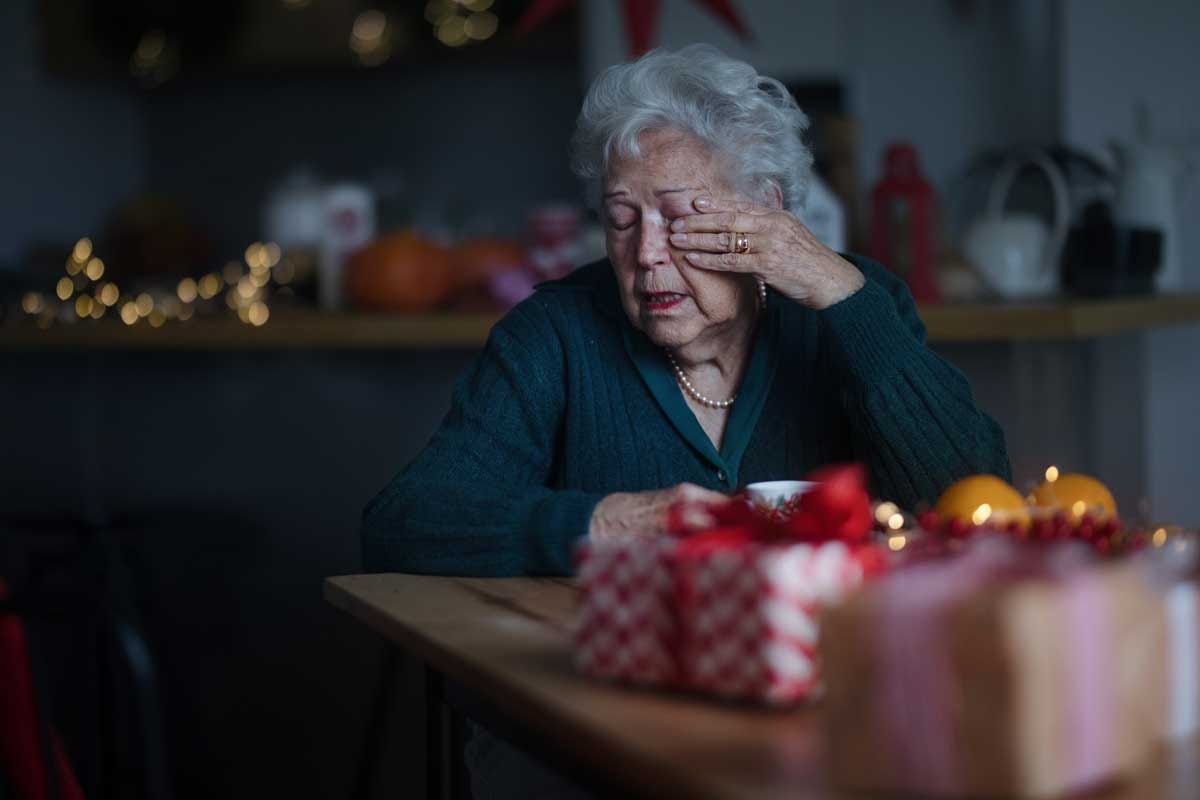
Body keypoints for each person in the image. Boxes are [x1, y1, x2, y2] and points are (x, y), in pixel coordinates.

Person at [362, 44, 1009, 578]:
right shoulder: (554, 334)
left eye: (678, 219)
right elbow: (404, 524)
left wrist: (843, 297)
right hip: (599, 701)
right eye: (621, 219)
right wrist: (602, 523)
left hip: (834, 690)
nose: (645, 253)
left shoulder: (855, 303)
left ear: (764, 212)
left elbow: (975, 502)